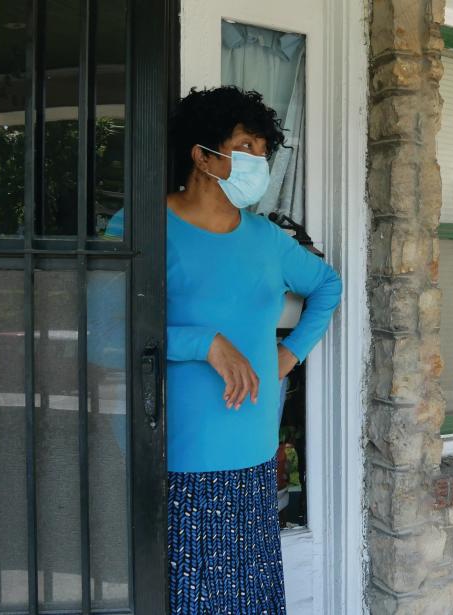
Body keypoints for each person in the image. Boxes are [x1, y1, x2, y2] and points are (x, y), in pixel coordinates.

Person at [136, 86, 341, 614]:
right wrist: (203, 342)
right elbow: (109, 330)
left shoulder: (268, 241)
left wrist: (288, 355)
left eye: (263, 151)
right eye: (245, 146)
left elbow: (327, 287)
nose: (258, 162)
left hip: (251, 457)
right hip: (174, 460)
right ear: (202, 156)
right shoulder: (141, 230)